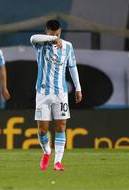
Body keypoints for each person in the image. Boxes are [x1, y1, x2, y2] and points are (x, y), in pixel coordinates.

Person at [30, 19, 82, 171]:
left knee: (61, 126)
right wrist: (53, 38)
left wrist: (78, 88)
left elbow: (72, 67)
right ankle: (47, 151)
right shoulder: (40, 44)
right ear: (47, 32)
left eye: (58, 34)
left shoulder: (67, 46)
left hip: (61, 93)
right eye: (53, 34)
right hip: (42, 93)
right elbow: (32, 37)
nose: (56, 36)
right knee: (42, 130)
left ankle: (58, 162)